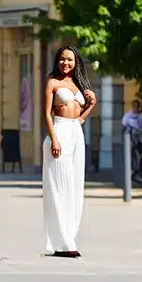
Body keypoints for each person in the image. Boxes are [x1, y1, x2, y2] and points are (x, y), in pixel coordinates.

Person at [42, 46, 95, 258]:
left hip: (75, 133)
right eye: (62, 59)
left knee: (73, 186)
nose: (66, 63)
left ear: (76, 62)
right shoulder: (52, 82)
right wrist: (54, 139)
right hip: (59, 131)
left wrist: (91, 104)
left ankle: (68, 238)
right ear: (58, 61)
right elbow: (47, 114)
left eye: (70, 59)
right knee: (58, 187)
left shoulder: (79, 84)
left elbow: (79, 119)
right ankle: (62, 242)